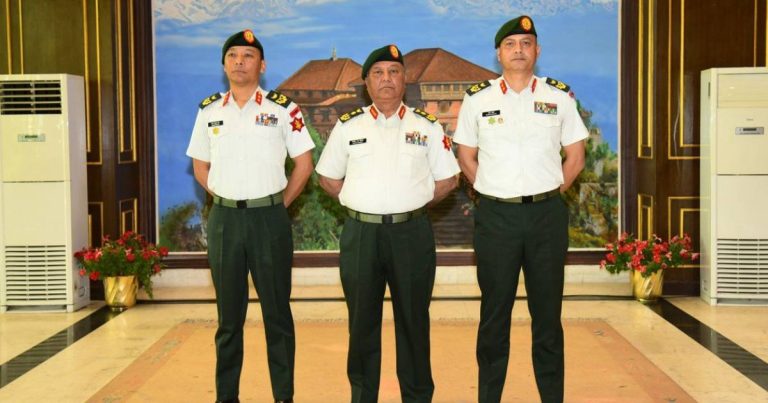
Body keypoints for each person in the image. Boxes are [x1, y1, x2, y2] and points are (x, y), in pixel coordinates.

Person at [453, 15, 588, 403]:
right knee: (494, 315)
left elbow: (575, 156)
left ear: (537, 51)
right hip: (497, 218)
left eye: (526, 44)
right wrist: (491, 190)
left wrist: (547, 191)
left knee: (547, 317)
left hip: (546, 217)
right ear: (499, 53)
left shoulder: (558, 96)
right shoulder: (477, 99)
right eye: (511, 45)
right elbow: (466, 154)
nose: (519, 51)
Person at [316, 44, 460, 403]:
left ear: (405, 79)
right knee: (362, 324)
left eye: (394, 72)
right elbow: (328, 178)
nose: (386, 79)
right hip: (361, 234)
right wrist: (359, 202)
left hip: (411, 235)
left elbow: (449, 180)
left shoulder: (425, 126)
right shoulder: (349, 126)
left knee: (413, 323)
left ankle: (417, 397)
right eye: (378, 73)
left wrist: (410, 204)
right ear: (366, 82)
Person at [185, 29, 314, 403]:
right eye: (233, 56)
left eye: (248, 56)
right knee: (228, 320)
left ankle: (283, 396)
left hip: (268, 220)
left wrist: (278, 204)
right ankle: (227, 397)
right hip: (226, 222)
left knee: (277, 315)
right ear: (224, 64)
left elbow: (303, 164)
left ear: (263, 64)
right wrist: (227, 197)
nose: (240, 62)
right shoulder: (209, 110)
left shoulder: (283, 109)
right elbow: (200, 166)